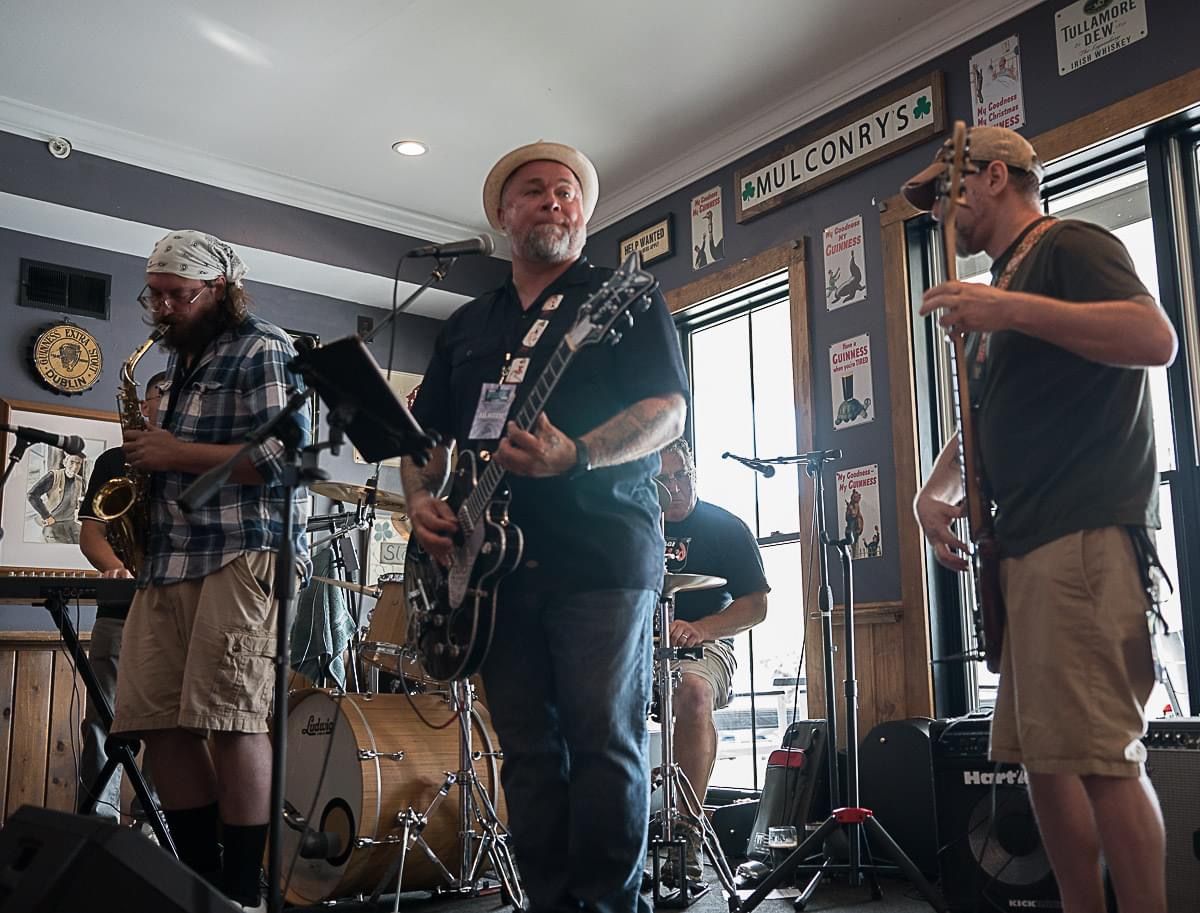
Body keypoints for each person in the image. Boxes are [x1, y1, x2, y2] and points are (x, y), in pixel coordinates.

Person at [402, 141, 688, 913]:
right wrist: (421, 500)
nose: (554, 201)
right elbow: (427, 440)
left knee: (604, 744)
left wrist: (579, 453)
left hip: (600, 555)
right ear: (504, 214)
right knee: (528, 753)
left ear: (584, 214)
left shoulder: (621, 298)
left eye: (567, 191)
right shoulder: (468, 323)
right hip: (490, 575)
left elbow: (668, 411)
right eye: (534, 191)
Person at [906, 125, 1176, 913]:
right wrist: (932, 491)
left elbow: (1154, 337)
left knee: (1102, 758)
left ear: (995, 176)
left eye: (949, 191)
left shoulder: (1069, 247)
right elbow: (981, 417)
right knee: (1043, 760)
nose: (941, 212)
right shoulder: (1002, 291)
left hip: (1082, 536)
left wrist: (1011, 308)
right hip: (1024, 550)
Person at [110, 231, 310, 912]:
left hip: (240, 553)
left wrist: (176, 452)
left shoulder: (264, 346)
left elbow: (285, 458)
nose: (163, 307)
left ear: (219, 289)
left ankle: (241, 892)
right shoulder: (173, 367)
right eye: (155, 294)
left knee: (232, 719)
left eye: (178, 294)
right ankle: (199, 883)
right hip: (166, 559)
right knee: (156, 720)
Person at [658, 438, 769, 882]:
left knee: (693, 692)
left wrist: (703, 628)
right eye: (663, 479)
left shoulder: (726, 527)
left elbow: (756, 605)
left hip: (707, 645)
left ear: (694, 472)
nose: (675, 487)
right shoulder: (633, 530)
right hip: (639, 646)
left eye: (681, 475)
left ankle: (688, 829)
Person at [75, 370, 166, 820]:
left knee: (171, 727)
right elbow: (91, 534)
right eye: (160, 395)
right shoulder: (114, 461)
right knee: (103, 720)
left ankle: (154, 821)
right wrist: (116, 566)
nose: (165, 403)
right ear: (142, 405)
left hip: (175, 609)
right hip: (119, 610)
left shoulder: (192, 463)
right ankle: (99, 822)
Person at [28, 451, 87, 543]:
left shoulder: (81, 481)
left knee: (83, 543)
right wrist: (46, 516)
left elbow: (82, 500)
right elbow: (32, 495)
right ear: (65, 462)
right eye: (72, 462)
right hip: (53, 522)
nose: (75, 467)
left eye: (78, 463)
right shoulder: (53, 476)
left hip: (70, 522)